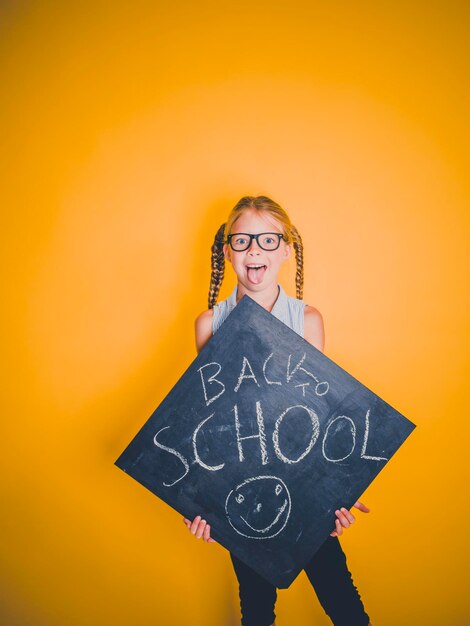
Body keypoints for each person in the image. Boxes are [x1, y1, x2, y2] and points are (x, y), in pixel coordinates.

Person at [183, 195, 372, 626]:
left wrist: (341, 488)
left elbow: (320, 413)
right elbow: (213, 422)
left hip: (304, 488)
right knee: (256, 611)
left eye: (268, 240)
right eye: (243, 240)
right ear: (227, 251)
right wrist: (199, 505)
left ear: (287, 250)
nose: (255, 249)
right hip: (243, 494)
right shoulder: (209, 325)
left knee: (344, 604)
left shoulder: (307, 320)